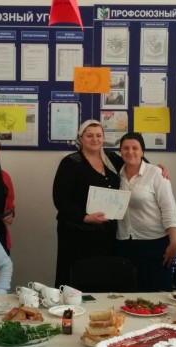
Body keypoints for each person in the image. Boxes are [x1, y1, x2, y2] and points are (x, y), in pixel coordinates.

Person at [52, 119, 124, 287]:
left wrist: (159, 168)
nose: (95, 139)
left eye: (99, 135)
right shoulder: (71, 162)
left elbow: (138, 163)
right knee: (76, 280)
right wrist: (85, 217)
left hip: (106, 235)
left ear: (104, 138)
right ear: (81, 138)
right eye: (89, 135)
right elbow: (60, 199)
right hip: (76, 234)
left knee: (102, 279)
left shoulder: (113, 159)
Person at [116, 133, 176, 291]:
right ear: (120, 151)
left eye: (135, 148)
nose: (130, 152)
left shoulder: (156, 173)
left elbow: (169, 208)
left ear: (142, 151)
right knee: (127, 294)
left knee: (156, 294)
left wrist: (174, 241)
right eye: (125, 148)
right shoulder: (115, 174)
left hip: (154, 245)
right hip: (124, 243)